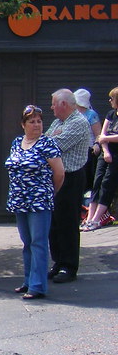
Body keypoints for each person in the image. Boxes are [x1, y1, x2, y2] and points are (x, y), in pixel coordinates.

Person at [5, 105, 65, 299]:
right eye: (32, 121)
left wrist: (49, 193)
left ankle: (37, 286)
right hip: (19, 200)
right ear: (23, 125)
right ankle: (28, 280)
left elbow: (59, 173)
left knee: (38, 242)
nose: (37, 125)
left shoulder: (47, 143)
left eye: (39, 121)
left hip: (39, 201)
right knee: (27, 242)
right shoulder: (17, 142)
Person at [45, 89, 93, 283]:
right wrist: (52, 136)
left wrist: (52, 138)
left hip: (71, 178)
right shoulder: (58, 122)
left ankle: (69, 266)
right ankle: (58, 262)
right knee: (54, 223)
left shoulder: (78, 122)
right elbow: (44, 139)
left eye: (53, 103)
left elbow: (53, 146)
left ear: (63, 104)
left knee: (67, 222)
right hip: (55, 177)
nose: (51, 107)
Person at [84, 87, 118, 232]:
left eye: (112, 98)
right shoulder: (111, 114)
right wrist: (106, 151)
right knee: (97, 182)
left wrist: (107, 139)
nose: (110, 101)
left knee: (107, 184)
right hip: (106, 153)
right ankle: (89, 218)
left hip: (116, 155)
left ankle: (97, 219)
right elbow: (102, 135)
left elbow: (106, 137)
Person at [74, 88, 103, 192]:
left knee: (87, 176)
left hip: (88, 150)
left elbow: (98, 134)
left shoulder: (91, 114)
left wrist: (97, 144)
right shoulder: (72, 113)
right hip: (74, 150)